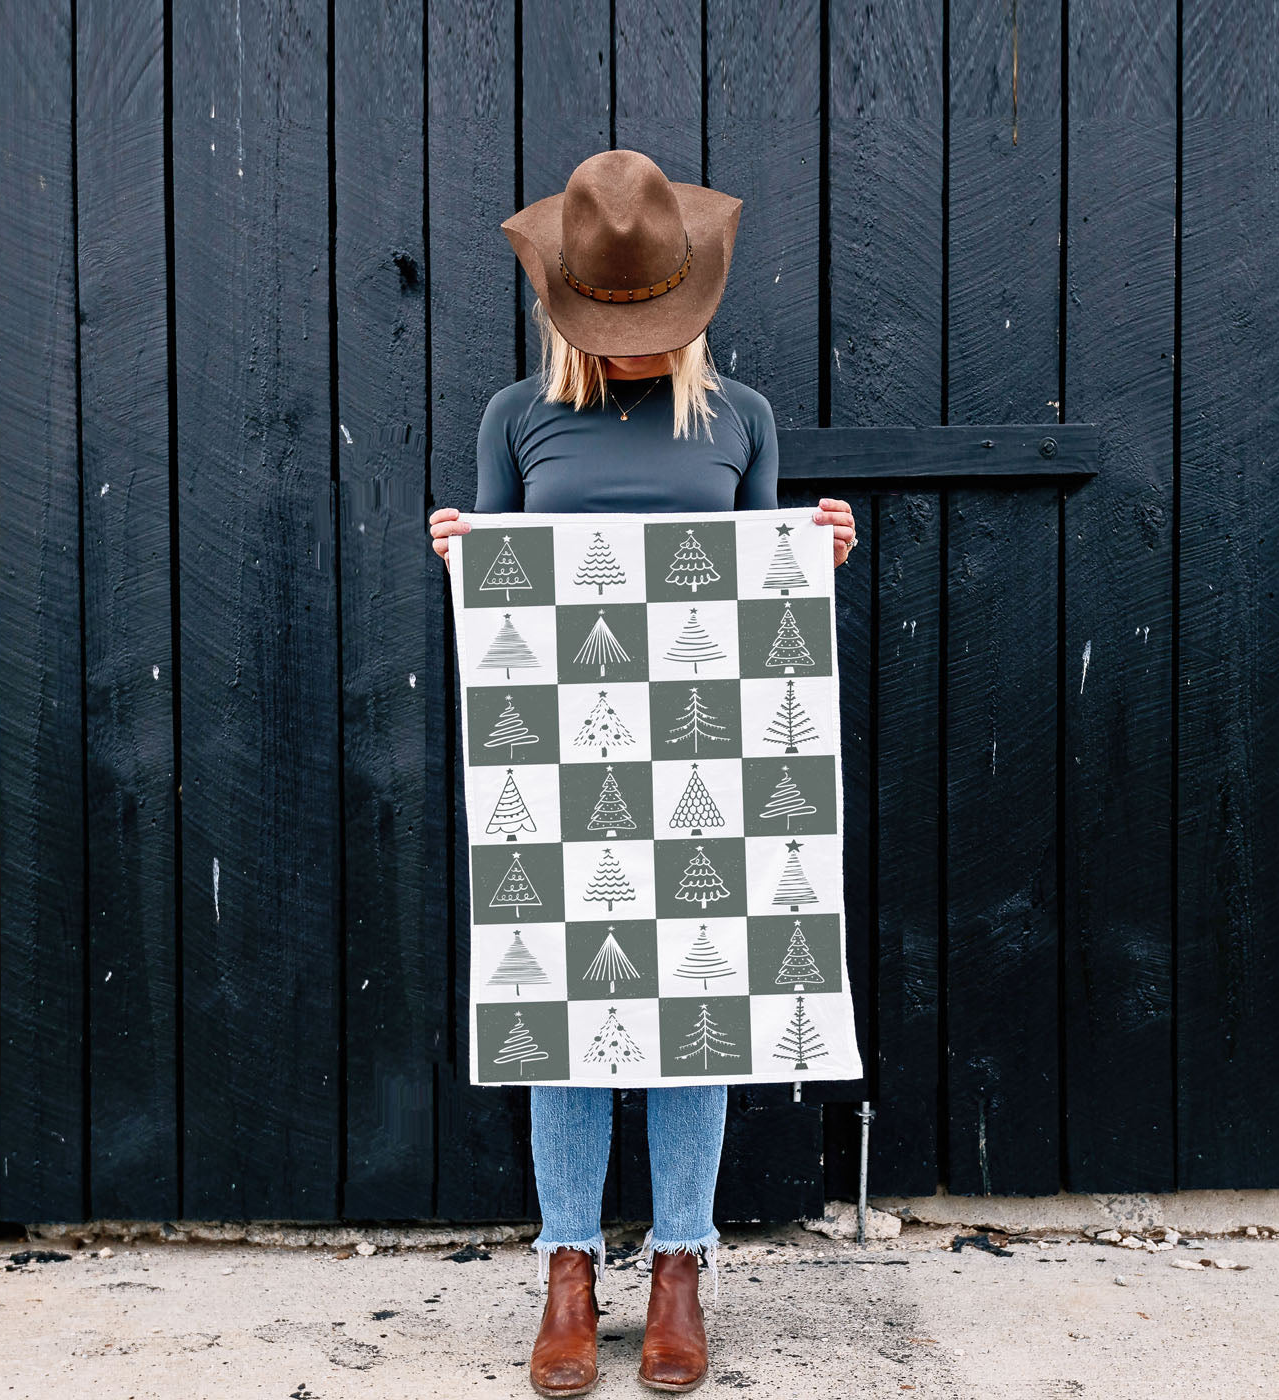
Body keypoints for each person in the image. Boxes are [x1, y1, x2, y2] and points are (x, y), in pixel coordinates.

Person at [429, 149, 856, 1397]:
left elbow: (761, 587)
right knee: (560, 1006)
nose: (627, 348)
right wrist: (467, 550)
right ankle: (566, 1265)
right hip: (558, 758)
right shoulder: (517, 416)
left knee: (696, 1005)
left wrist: (811, 550)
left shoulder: (741, 418)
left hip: (708, 753)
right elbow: (503, 591)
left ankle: (679, 1264)